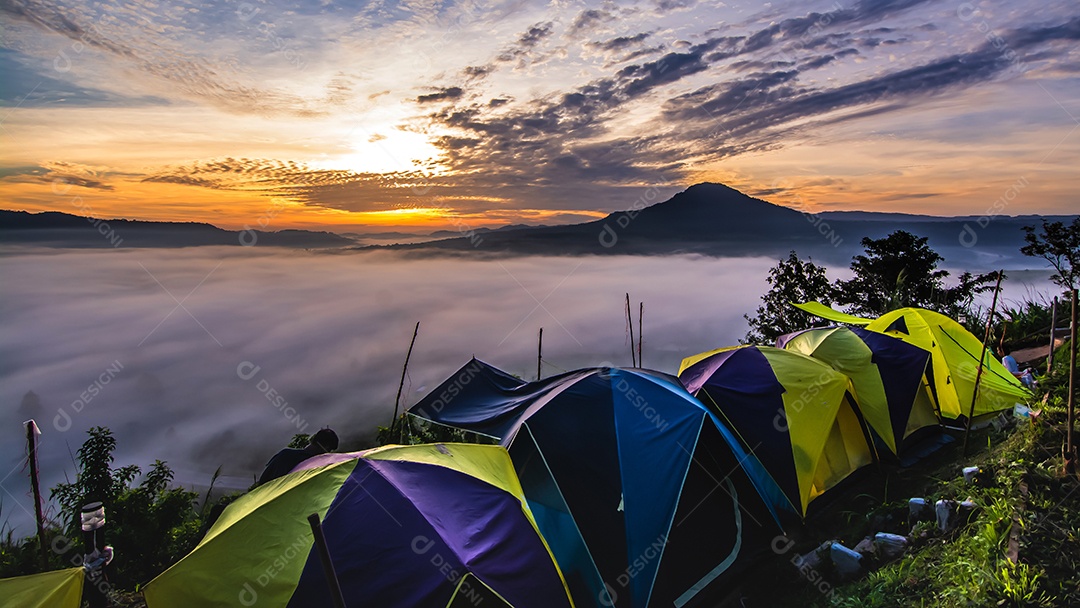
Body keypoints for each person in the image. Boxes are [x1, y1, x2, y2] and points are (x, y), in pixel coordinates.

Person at [257, 428, 338, 486]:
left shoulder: (285, 455)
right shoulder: (314, 463)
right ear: (325, 447)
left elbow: (263, 480)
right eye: (329, 450)